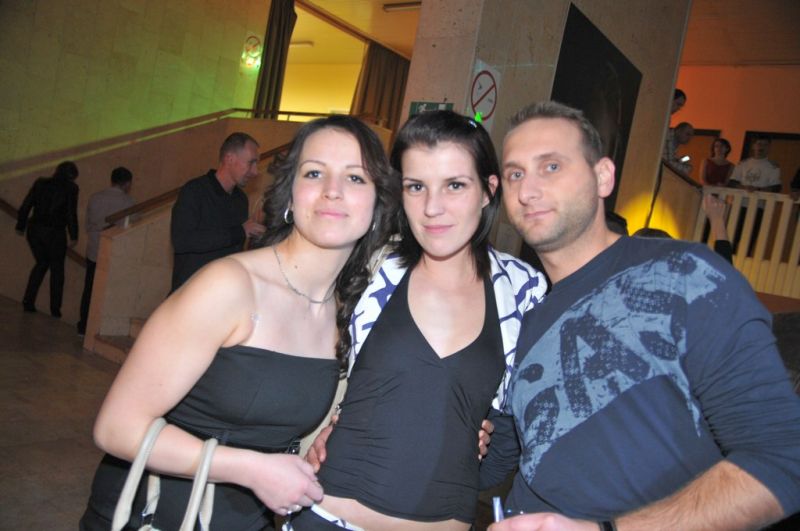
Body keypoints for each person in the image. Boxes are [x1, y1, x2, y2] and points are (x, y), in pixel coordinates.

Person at [482, 101, 800, 530]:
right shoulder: (530, 321)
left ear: (603, 177)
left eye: (551, 167)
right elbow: (501, 460)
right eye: (515, 174)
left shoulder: (683, 275)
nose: (527, 191)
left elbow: (784, 458)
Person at [79, 115, 398, 530]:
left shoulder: (343, 312)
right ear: (290, 193)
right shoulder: (229, 285)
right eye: (314, 172)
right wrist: (252, 469)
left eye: (355, 178)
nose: (332, 190)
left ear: (376, 205)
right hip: (155, 516)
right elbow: (116, 428)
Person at [292, 111, 547, 531]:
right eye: (416, 186)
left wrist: (467, 447)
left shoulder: (522, 290)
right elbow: (301, 365)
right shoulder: (372, 267)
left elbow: (520, 426)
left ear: (488, 190)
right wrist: (310, 436)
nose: (432, 208)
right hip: (329, 516)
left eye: (455, 185)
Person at [169, 132, 267, 292]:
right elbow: (182, 241)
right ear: (229, 159)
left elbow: (233, 250)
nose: (255, 172)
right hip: (190, 295)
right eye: (251, 163)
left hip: (223, 295)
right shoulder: (194, 191)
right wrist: (240, 231)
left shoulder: (241, 199)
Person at [15, 160, 80, 317]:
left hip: (35, 230)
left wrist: (21, 225)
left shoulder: (40, 183)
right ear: (72, 176)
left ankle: (28, 301)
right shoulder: (71, 188)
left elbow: (26, 204)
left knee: (41, 263)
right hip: (55, 232)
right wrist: (74, 235)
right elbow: (71, 213)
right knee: (57, 270)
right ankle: (55, 309)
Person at [77, 167, 136, 336]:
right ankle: (99, 328)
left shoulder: (95, 197)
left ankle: (83, 326)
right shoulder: (128, 202)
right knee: (107, 293)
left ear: (112, 180)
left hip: (94, 249)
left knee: (89, 289)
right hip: (115, 252)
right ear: (127, 183)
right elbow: (131, 227)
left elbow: (88, 224)